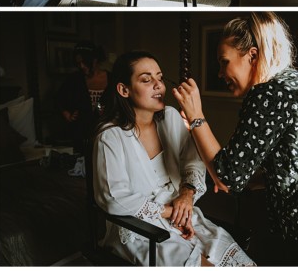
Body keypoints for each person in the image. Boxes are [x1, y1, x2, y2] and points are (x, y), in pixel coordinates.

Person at [172, 12, 298, 266]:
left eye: (224, 62)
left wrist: (196, 116)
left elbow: (227, 176)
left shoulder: (268, 94)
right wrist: (244, 179)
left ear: (252, 55)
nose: (219, 73)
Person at [92, 51, 255, 266]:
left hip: (183, 215)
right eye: (146, 79)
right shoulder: (110, 137)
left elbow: (193, 161)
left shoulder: (170, 117)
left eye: (159, 78)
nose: (158, 85)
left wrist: (186, 195)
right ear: (124, 89)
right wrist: (169, 212)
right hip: (139, 230)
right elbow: (113, 197)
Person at [57, 41, 110, 153]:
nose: (81, 66)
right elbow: (59, 98)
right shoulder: (75, 79)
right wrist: (67, 114)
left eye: (85, 62)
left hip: (107, 131)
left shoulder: (112, 78)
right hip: (82, 133)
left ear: (95, 60)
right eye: (78, 63)